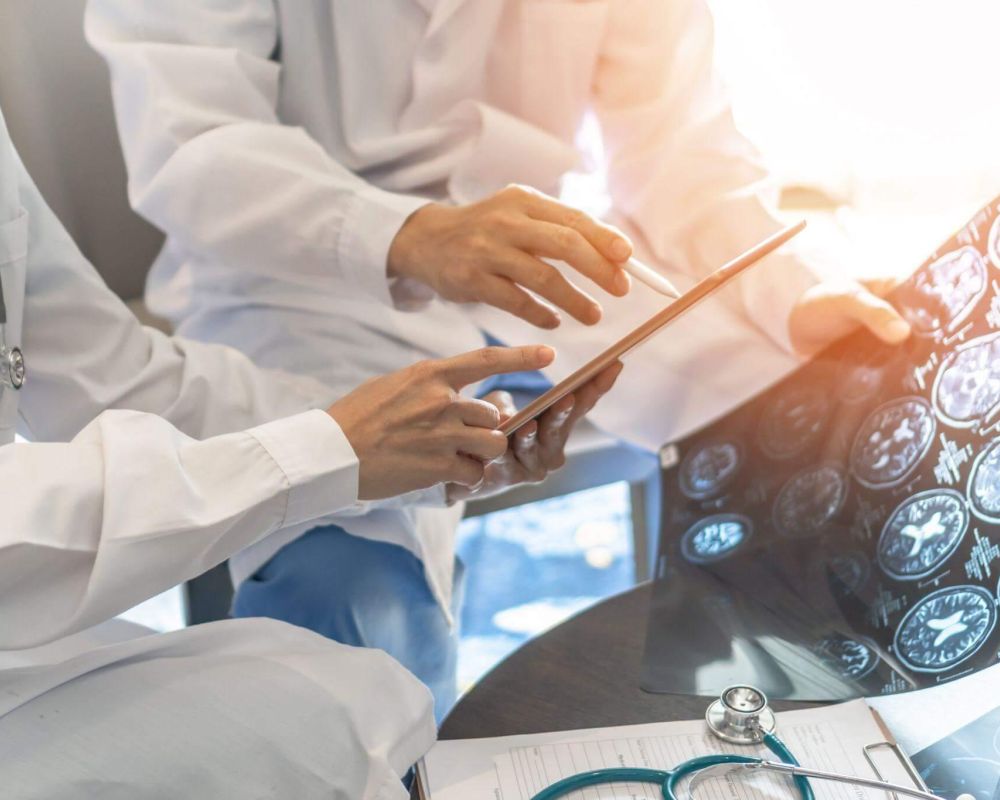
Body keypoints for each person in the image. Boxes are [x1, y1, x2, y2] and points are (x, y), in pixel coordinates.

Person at [85, 0, 912, 718]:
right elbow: (187, 142)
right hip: (302, 284)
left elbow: (681, 151)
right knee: (345, 599)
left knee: (827, 436)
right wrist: (406, 236)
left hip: (554, 267)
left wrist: (794, 294)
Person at [0, 98, 621, 796]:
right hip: (266, 305)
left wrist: (395, 451)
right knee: (333, 713)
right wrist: (325, 452)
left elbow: (110, 375)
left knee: (346, 709)